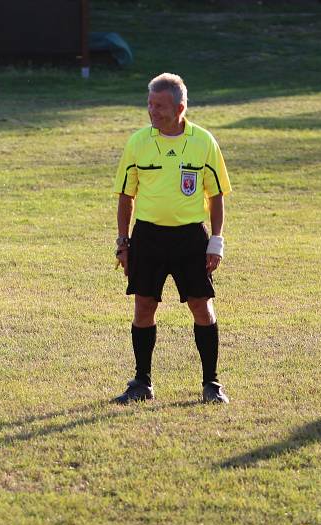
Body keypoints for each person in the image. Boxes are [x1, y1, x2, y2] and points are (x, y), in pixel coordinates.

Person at [112, 73, 232, 405]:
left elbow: (217, 195)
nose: (152, 111)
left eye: (160, 105)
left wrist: (216, 241)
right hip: (147, 237)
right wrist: (123, 242)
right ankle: (141, 382)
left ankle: (211, 383)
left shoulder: (203, 141)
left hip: (190, 238)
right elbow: (126, 196)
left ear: (180, 107)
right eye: (149, 104)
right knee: (144, 306)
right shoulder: (138, 142)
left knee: (201, 306)